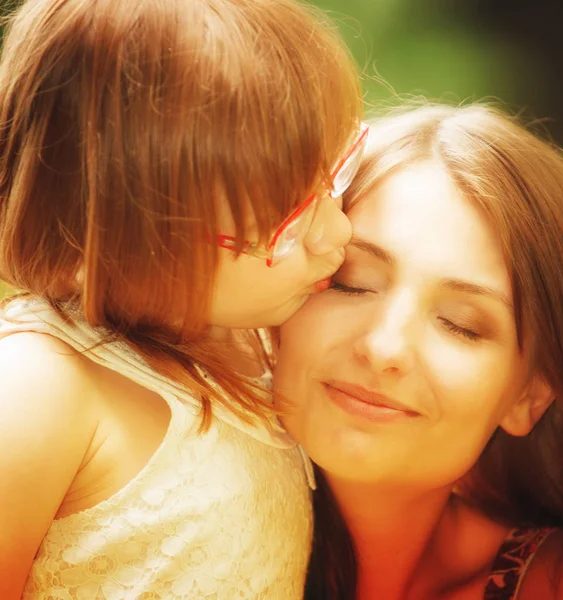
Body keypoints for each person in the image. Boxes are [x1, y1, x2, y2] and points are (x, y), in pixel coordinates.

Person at [0, 0, 368, 597]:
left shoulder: (252, 336)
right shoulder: (43, 390)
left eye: (332, 177)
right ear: (132, 236)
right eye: (289, 223)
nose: (339, 233)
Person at [273, 103, 563, 599]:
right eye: (351, 283)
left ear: (529, 396)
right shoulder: (139, 491)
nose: (384, 346)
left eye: (461, 325)